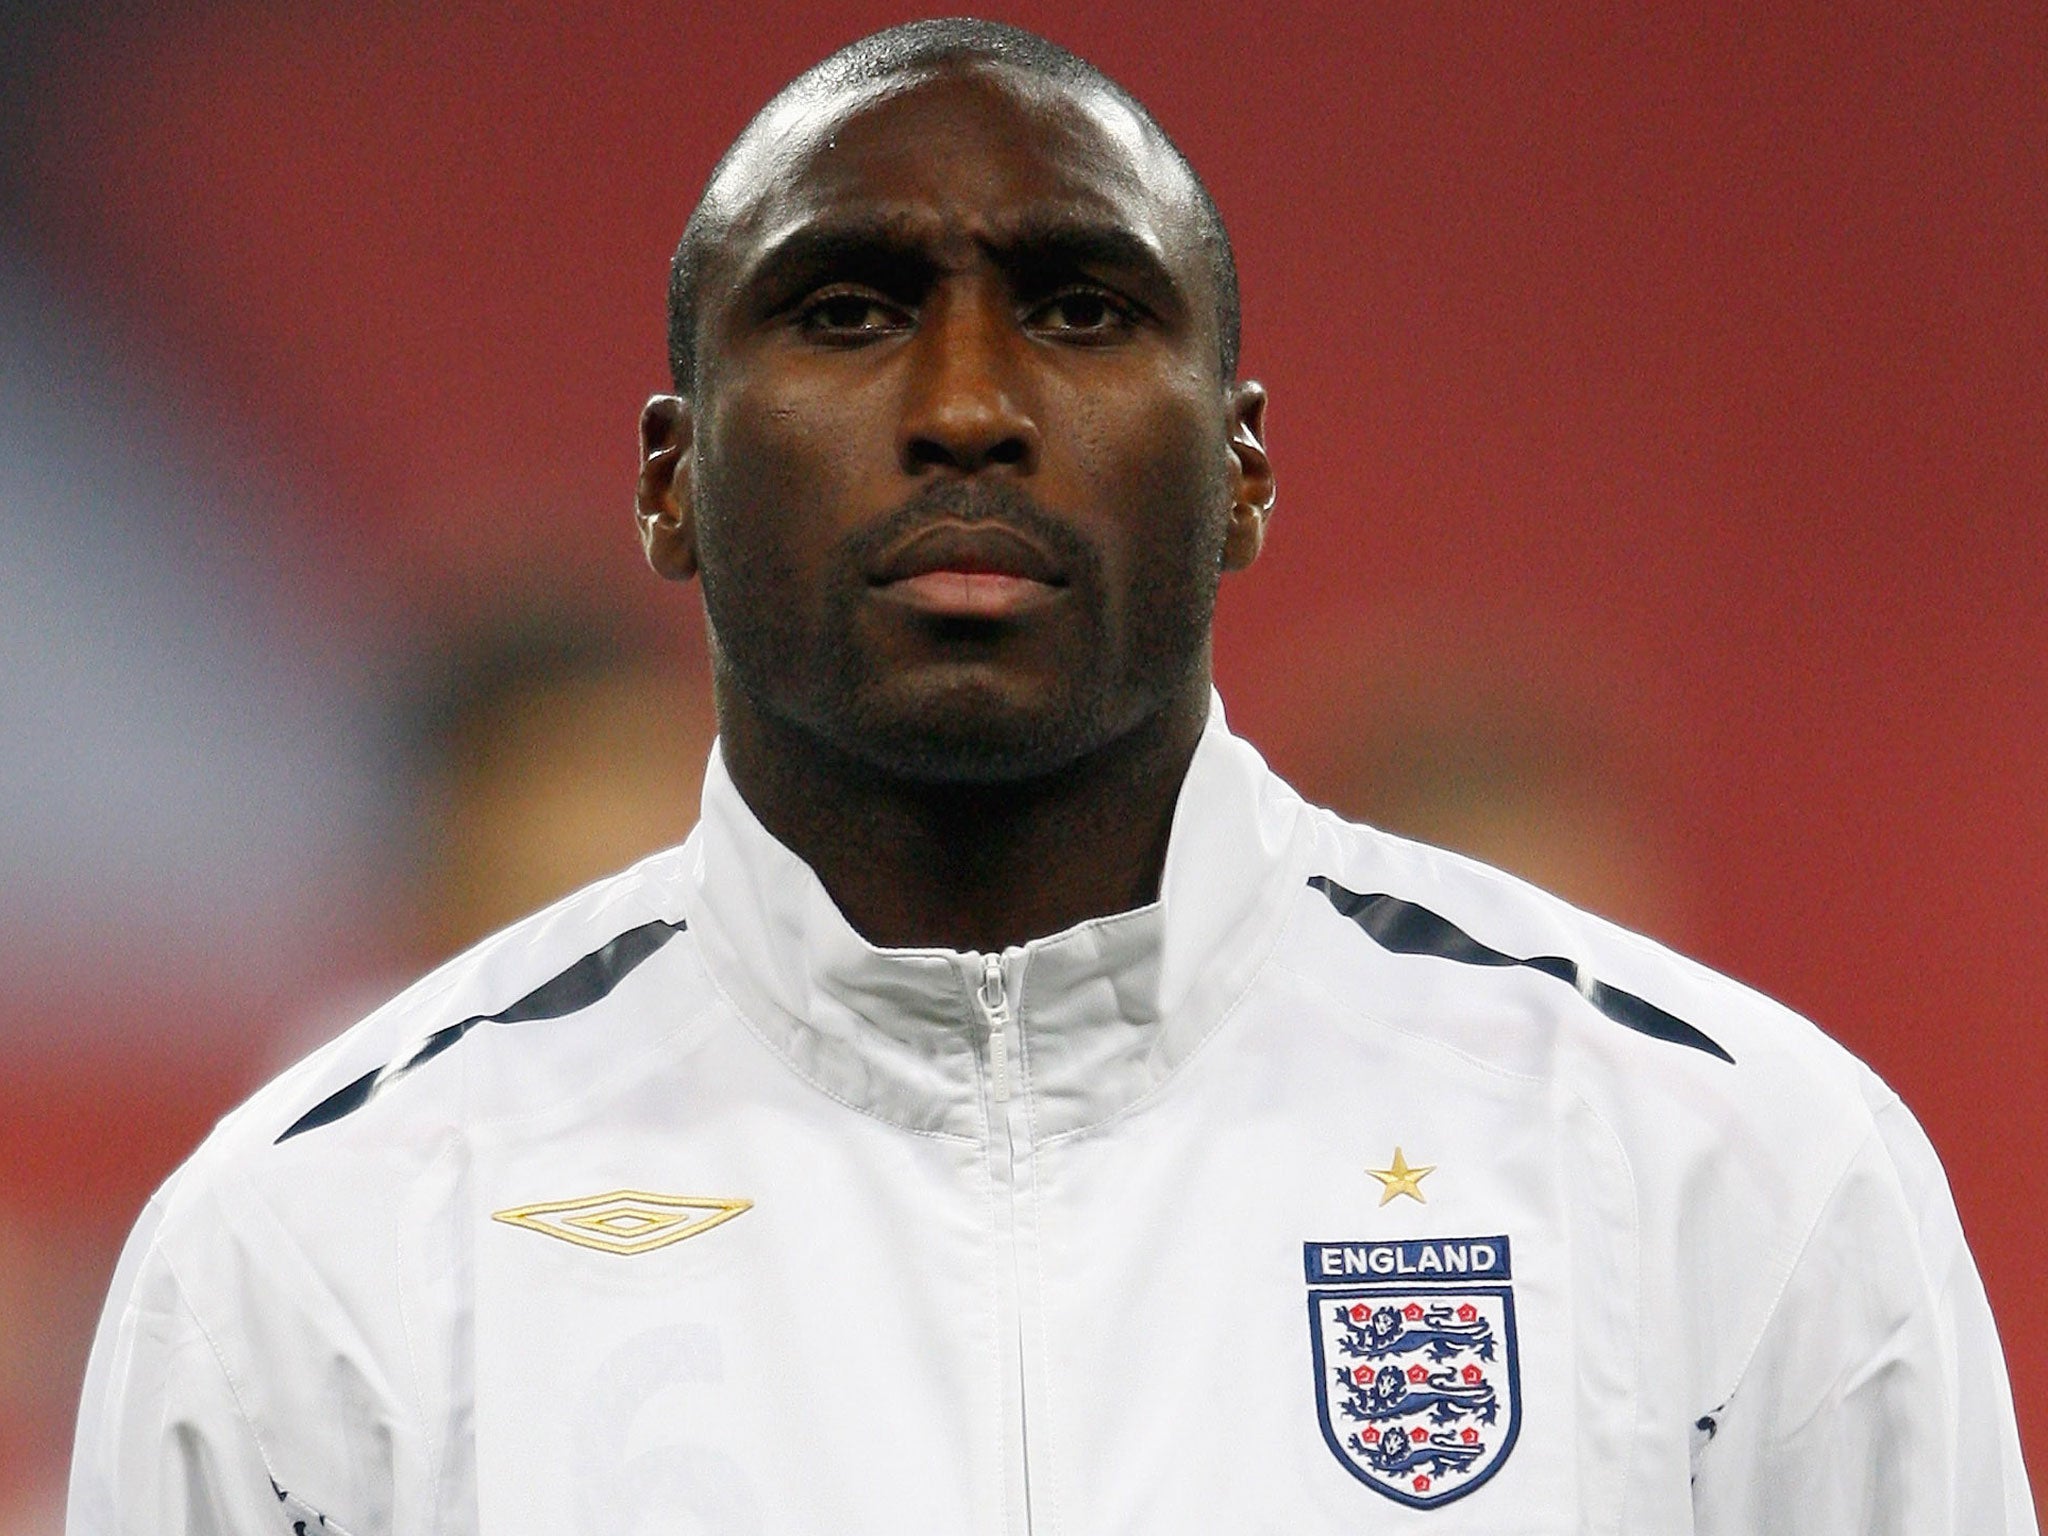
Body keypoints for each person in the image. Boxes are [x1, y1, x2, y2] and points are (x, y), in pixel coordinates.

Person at [68, 19, 2034, 1535]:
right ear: (669, 479)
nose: (967, 408)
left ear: (1246, 466)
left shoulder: (1726, 1171)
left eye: (1084, 309)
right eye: (844, 310)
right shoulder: (318, 1241)